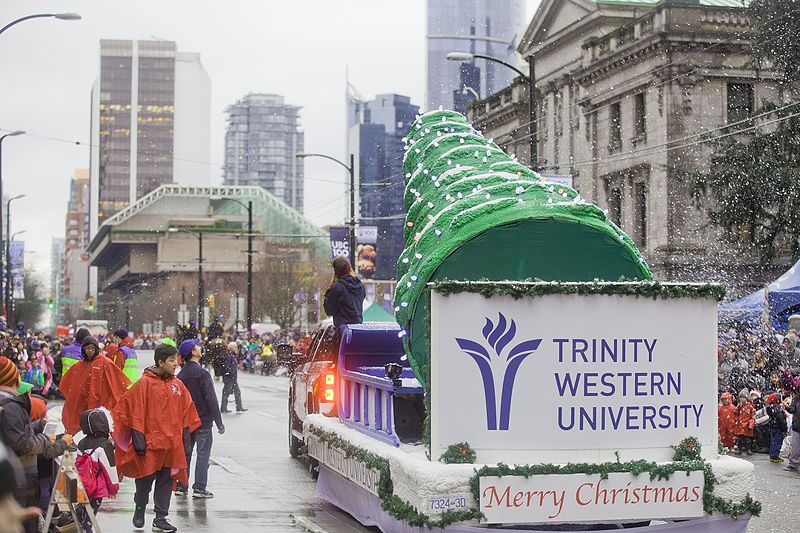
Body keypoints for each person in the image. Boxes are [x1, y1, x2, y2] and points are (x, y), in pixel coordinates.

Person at [113, 344, 201, 533]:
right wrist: (138, 439)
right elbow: (134, 411)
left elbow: (187, 412)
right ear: (160, 362)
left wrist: (185, 440)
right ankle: (140, 504)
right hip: (149, 444)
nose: (176, 363)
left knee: (165, 481)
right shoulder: (144, 384)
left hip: (170, 445)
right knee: (144, 481)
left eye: (176, 359)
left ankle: (161, 517)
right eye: (171, 360)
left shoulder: (178, 385)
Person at [0, 357, 72, 533]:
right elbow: (21, 444)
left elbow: (14, 433)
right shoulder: (10, 407)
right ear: (12, 378)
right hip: (20, 477)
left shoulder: (9, 406)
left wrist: (38, 426)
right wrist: (46, 440)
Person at [175, 339, 224, 498]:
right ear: (193, 352)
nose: (200, 347)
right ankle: (199, 487)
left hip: (186, 421)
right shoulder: (202, 374)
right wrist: (219, 422)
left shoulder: (181, 376)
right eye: (197, 346)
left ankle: (182, 485)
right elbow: (211, 399)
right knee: (203, 454)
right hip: (203, 420)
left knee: (185, 454)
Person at [59, 336, 131, 435]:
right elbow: (70, 387)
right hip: (83, 403)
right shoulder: (79, 366)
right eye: (87, 348)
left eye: (92, 348)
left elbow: (117, 384)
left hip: (100, 402)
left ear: (96, 349)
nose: (90, 351)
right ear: (83, 349)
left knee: (96, 427)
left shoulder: (105, 363)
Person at [75, 408, 119, 532]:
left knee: (85, 511)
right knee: (90, 515)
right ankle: (87, 529)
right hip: (97, 486)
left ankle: (83, 527)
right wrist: (114, 489)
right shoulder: (105, 444)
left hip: (83, 483)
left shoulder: (81, 443)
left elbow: (78, 464)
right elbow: (109, 468)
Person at [324, 256, 365, 328]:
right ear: (349, 268)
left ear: (336, 271)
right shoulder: (360, 286)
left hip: (343, 330)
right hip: (358, 329)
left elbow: (329, 311)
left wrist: (329, 290)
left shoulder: (337, 288)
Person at [220, 342, 246, 413]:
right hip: (230, 378)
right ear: (232, 348)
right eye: (235, 347)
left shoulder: (231, 355)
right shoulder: (229, 356)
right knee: (227, 393)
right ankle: (225, 408)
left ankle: (238, 407)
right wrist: (230, 374)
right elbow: (227, 366)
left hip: (232, 378)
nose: (236, 349)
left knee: (235, 392)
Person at [765, 393, 788, 462]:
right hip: (778, 426)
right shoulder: (777, 408)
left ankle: (772, 454)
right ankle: (775, 456)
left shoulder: (770, 408)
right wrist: (784, 427)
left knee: (773, 440)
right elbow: (781, 419)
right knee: (777, 441)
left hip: (773, 425)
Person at [734, 388, 755, 455]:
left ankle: (748, 449)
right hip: (740, 425)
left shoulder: (750, 407)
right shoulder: (739, 406)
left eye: (743, 397)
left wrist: (751, 424)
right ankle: (739, 449)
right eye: (741, 397)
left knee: (747, 439)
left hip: (747, 425)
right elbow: (736, 413)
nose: (742, 399)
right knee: (739, 439)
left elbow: (752, 416)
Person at [784, 388, 800, 471]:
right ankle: (793, 464)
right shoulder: (796, 399)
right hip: (797, 426)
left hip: (796, 425)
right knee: (795, 447)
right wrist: (787, 407)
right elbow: (792, 410)